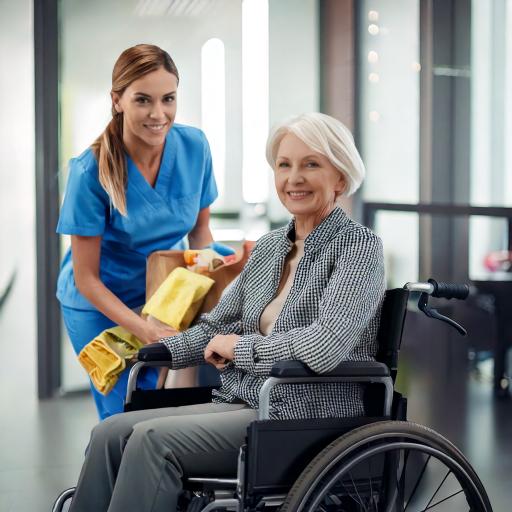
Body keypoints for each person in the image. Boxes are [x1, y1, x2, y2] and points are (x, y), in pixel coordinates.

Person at [67, 112, 385, 512]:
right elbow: (217, 326)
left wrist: (240, 349)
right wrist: (159, 346)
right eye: (284, 165)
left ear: (341, 177)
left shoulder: (359, 247)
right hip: (243, 400)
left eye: (311, 164)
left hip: (304, 413)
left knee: (152, 441)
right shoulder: (270, 248)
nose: (294, 178)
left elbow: (324, 344)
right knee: (111, 433)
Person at [56, 44, 218, 420]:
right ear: (118, 101)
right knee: (123, 416)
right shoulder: (89, 171)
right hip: (100, 303)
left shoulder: (195, 147)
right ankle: (108, 479)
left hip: (161, 294)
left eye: (169, 99)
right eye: (143, 100)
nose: (158, 114)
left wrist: (204, 289)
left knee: (162, 410)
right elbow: (87, 278)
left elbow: (201, 231)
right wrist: (143, 328)